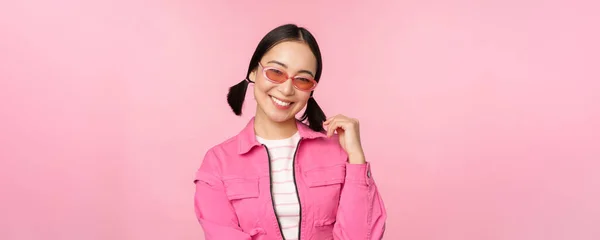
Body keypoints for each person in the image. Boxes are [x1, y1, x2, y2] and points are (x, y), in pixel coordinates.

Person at [193, 23, 387, 240]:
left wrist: (356, 159)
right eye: (276, 72)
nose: (286, 89)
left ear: (311, 89)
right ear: (254, 72)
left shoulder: (338, 152)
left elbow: (361, 236)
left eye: (302, 79)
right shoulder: (218, 162)